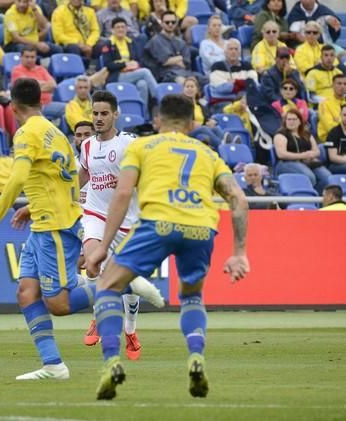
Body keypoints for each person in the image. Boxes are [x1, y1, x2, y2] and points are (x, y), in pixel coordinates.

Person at [85, 93, 249, 400]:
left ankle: (111, 362)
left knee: (107, 285)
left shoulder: (141, 146)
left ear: (158, 121)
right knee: (191, 296)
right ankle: (196, 356)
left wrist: (102, 247)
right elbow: (239, 200)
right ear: (191, 123)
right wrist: (239, 253)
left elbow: (122, 194)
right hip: (200, 228)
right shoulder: (208, 153)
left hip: (157, 224)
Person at [0, 78, 90, 381]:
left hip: (56, 226)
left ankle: (119, 284)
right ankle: (53, 365)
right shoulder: (56, 132)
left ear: (12, 106)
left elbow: (17, 177)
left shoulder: (26, 133)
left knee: (59, 304)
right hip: (42, 224)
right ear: (42, 102)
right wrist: (31, 207)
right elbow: (63, 179)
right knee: (26, 293)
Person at [76, 90, 164, 353]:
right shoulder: (87, 145)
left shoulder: (129, 144)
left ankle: (130, 330)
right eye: (95, 113)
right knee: (92, 265)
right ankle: (98, 318)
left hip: (127, 220)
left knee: (129, 287)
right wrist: (67, 200)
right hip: (95, 214)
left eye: (104, 113)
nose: (99, 118)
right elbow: (83, 175)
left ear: (116, 114)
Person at [102, 17, 157, 107]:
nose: (121, 29)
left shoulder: (131, 42)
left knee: (142, 84)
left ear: (126, 29)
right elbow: (107, 64)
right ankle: (159, 97)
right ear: (112, 30)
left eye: (123, 27)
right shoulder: (108, 44)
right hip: (117, 75)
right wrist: (124, 65)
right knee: (145, 72)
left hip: (133, 73)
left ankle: (144, 115)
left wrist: (135, 65)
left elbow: (140, 60)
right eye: (118, 27)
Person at [274, 109, 332, 193]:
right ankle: (308, 199)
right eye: (289, 119)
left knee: (327, 178)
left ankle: (318, 198)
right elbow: (281, 154)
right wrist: (302, 155)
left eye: (294, 119)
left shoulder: (306, 134)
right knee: (309, 177)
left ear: (300, 121)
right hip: (286, 163)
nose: (291, 122)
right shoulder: (280, 134)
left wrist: (311, 155)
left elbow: (317, 151)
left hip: (307, 162)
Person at [143, 11, 201, 84]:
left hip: (186, 73)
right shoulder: (156, 41)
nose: (170, 24)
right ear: (162, 23)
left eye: (173, 22)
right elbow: (164, 61)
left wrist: (172, 60)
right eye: (167, 22)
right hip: (167, 75)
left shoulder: (181, 42)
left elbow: (186, 64)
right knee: (184, 82)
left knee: (205, 80)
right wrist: (179, 58)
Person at [209, 39, 258, 114]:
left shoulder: (248, 66)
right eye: (230, 49)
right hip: (223, 103)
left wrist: (235, 82)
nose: (233, 51)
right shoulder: (217, 67)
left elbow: (254, 84)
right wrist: (243, 84)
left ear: (239, 52)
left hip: (245, 101)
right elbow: (221, 89)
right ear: (225, 52)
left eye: (236, 49)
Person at [183, 77, 226, 150]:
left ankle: (230, 145)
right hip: (188, 131)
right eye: (187, 86)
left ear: (196, 89)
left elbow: (206, 119)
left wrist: (211, 122)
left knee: (216, 128)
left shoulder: (200, 105)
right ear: (183, 89)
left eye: (192, 86)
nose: (189, 89)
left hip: (201, 130)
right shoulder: (182, 104)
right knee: (204, 129)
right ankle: (223, 145)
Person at [317, 74, 346, 142]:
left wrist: (338, 121)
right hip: (329, 138)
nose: (342, 86)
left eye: (345, 84)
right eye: (339, 83)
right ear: (333, 85)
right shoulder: (324, 104)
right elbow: (330, 127)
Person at [325, 104, 346, 174]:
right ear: (340, 115)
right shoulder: (333, 133)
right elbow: (333, 157)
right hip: (335, 165)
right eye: (345, 115)